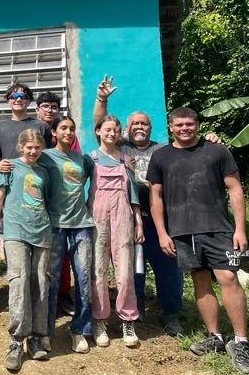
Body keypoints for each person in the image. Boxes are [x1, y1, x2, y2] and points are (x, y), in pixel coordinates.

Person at [148, 107, 249, 374]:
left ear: (197, 125)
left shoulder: (216, 151)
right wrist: (162, 232)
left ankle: (241, 342)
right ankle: (215, 337)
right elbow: (155, 197)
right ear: (170, 127)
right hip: (182, 231)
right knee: (200, 280)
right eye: (179, 124)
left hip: (218, 228)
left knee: (228, 278)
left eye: (189, 124)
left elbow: (235, 188)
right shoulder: (160, 157)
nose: (184, 128)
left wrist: (240, 229)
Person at [94, 76, 184, 335]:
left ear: (151, 127)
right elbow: (99, 124)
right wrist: (102, 99)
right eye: (134, 123)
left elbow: (189, 147)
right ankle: (137, 308)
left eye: (144, 123)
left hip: (160, 219)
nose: (139, 127)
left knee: (168, 267)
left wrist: (210, 139)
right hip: (127, 216)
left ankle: (170, 314)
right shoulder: (119, 147)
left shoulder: (164, 150)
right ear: (126, 129)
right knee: (132, 268)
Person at [0, 129, 52, 372]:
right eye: (29, 147)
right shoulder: (9, 167)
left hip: (42, 232)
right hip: (15, 232)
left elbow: (46, 202)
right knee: (19, 282)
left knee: (40, 284)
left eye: (37, 147)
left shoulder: (44, 171)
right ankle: (16, 340)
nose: (33, 151)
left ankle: (36, 337)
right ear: (21, 147)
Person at [40, 116, 95, 353]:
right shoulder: (45, 156)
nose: (68, 132)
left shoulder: (82, 159)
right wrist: (3, 165)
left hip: (81, 224)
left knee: (83, 279)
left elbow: (105, 163)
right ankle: (45, 331)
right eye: (63, 128)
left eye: (72, 128)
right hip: (55, 224)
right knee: (51, 279)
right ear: (54, 132)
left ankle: (79, 329)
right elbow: (24, 164)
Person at [88, 114, 142, 348]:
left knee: (125, 269)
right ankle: (99, 320)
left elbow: (133, 193)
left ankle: (128, 320)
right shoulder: (90, 159)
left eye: (116, 130)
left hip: (123, 214)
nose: (111, 133)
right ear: (98, 131)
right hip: (97, 216)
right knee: (98, 269)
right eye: (107, 129)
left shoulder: (125, 159)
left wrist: (138, 220)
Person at [35, 91, 77, 316]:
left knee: (62, 255)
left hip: (62, 207)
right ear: (38, 109)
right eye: (45, 106)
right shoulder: (33, 131)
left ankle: (63, 293)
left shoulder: (68, 134)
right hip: (36, 201)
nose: (50, 110)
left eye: (53, 106)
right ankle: (40, 295)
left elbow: (74, 167)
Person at [0, 83, 52, 162]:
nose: (18, 99)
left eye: (23, 96)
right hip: (10, 170)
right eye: (14, 96)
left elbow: (48, 155)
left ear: (29, 101)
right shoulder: (0, 127)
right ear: (8, 101)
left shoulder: (42, 126)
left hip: (36, 170)